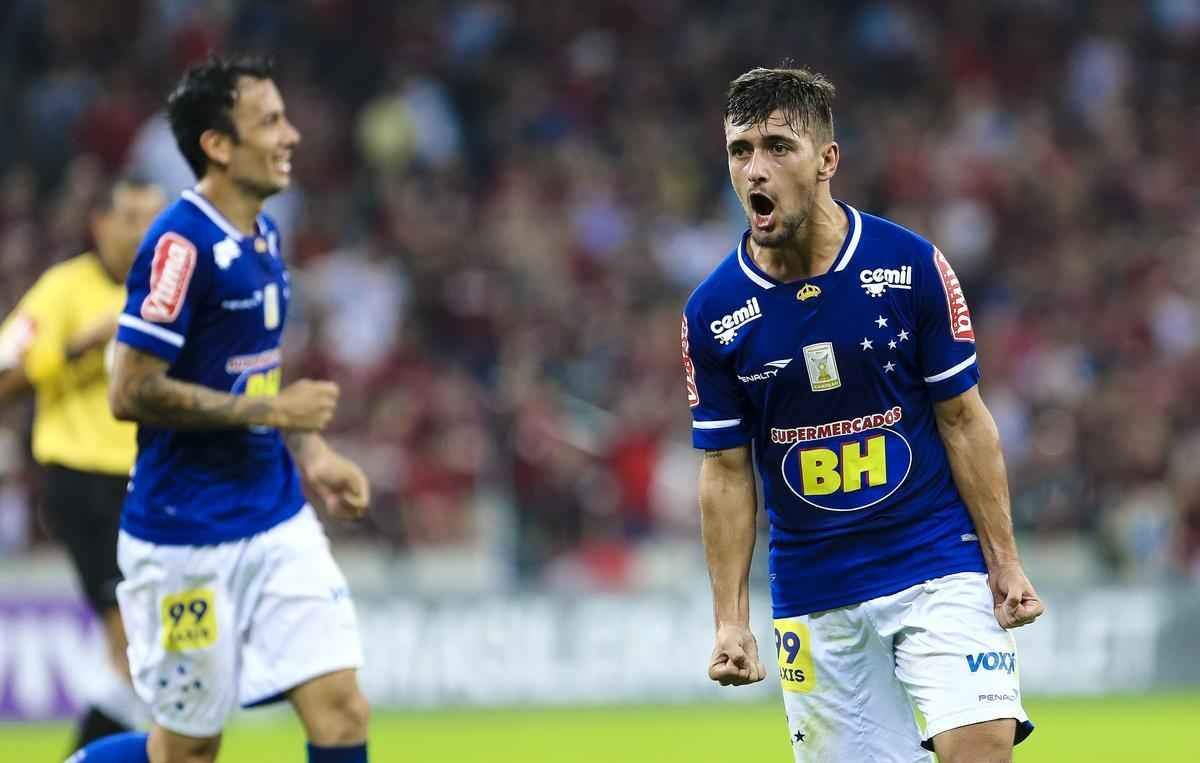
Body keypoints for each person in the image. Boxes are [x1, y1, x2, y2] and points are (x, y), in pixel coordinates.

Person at [681, 66, 1045, 763]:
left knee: (982, 745)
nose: (755, 169)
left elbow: (963, 419)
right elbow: (725, 469)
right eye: (740, 150)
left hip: (936, 559)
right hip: (815, 587)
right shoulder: (713, 311)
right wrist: (731, 620)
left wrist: (1005, 561)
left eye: (778, 147)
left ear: (827, 160)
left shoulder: (910, 266)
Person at [71, 55, 371, 763]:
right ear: (218, 145)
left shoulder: (263, 235)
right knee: (189, 747)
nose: (291, 135)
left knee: (341, 711)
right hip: (185, 537)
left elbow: (254, 375)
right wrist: (272, 415)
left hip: (275, 517)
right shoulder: (180, 245)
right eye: (270, 121)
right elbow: (130, 390)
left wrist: (311, 450)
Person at [0, 177, 165, 753]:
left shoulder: (171, 296)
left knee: (151, 650)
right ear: (100, 224)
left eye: (154, 217)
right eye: (131, 217)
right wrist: (79, 346)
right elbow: (4, 375)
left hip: (156, 483)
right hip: (87, 484)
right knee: (136, 644)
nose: (145, 231)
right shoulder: (63, 290)